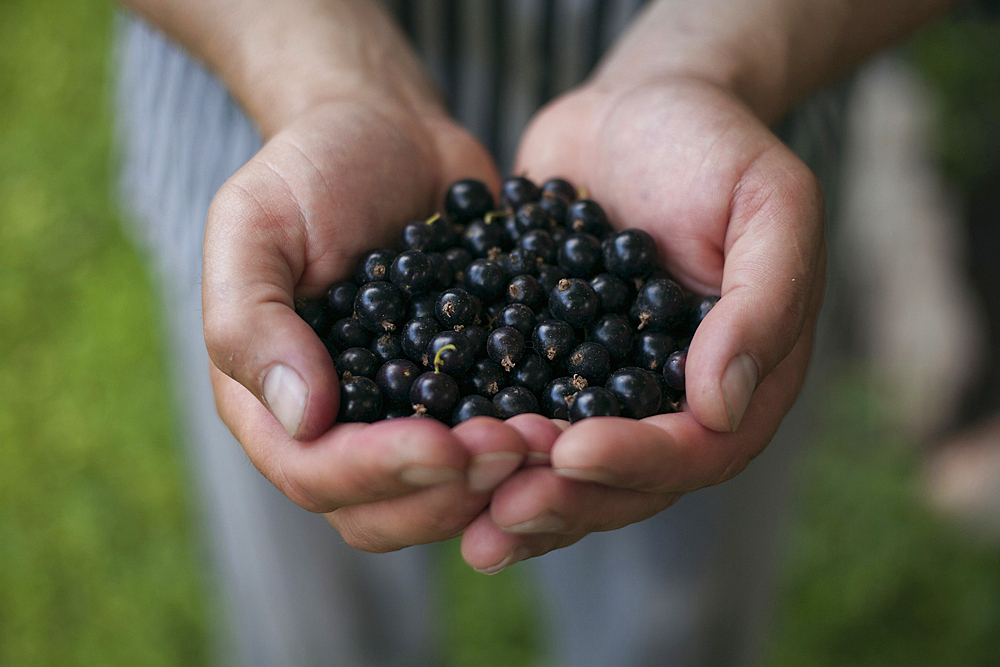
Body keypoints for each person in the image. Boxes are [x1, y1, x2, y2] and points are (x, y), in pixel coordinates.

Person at [115, 1, 958, 664]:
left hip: (704, 199)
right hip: (289, 152)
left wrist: (719, 62)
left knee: (671, 614)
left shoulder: (658, 266)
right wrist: (323, 81)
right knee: (315, 615)